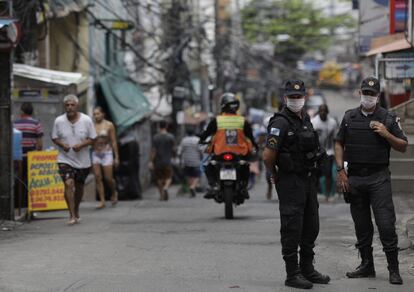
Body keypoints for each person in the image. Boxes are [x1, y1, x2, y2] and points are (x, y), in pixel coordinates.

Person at [334, 77, 407, 285]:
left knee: (385, 225)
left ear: (378, 96)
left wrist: (386, 134)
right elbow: (339, 142)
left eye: (372, 94)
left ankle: (394, 269)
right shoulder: (349, 117)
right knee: (362, 226)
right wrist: (340, 170)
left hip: (378, 178)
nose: (368, 97)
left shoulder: (388, 117)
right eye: (365, 93)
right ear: (359, 93)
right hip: (355, 178)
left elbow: (403, 145)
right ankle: (367, 266)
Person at [263, 80, 330, 289]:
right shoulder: (280, 122)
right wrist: (274, 174)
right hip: (290, 181)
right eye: (292, 97)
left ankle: (307, 269)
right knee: (292, 227)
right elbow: (268, 156)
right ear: (285, 98)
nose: (295, 100)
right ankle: (292, 274)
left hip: (308, 179)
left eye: (298, 97)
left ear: (304, 98)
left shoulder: (306, 119)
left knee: (311, 226)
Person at [199, 92, 258, 199]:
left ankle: (214, 185)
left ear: (222, 105)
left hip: (219, 153)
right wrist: (255, 146)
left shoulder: (217, 120)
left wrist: (201, 140)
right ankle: (243, 187)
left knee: (208, 165)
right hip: (239, 154)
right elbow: (250, 137)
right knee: (245, 166)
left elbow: (206, 134)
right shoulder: (242, 121)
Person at [52, 95, 97, 225]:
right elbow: (54, 137)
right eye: (67, 105)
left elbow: (93, 138)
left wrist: (82, 145)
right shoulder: (58, 121)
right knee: (68, 184)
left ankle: (76, 209)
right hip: (65, 159)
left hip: (83, 161)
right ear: (64, 106)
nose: (69, 107)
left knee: (79, 187)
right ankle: (71, 215)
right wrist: (62, 145)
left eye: (72, 105)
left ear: (77, 106)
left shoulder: (86, 120)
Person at [13, 102, 43, 210]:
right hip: (31, 157)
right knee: (29, 180)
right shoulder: (36, 124)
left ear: (22, 111)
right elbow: (40, 144)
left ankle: (17, 204)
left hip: (16, 157)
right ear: (32, 112)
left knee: (17, 179)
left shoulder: (14, 124)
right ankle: (27, 204)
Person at [92, 107, 120, 209]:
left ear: (103, 114)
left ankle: (113, 192)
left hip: (107, 153)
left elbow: (113, 141)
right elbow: (89, 140)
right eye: (94, 114)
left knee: (108, 178)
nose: (96, 116)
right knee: (97, 177)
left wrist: (116, 157)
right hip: (95, 153)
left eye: (98, 114)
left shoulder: (109, 125)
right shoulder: (92, 125)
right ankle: (102, 201)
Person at [311, 104, 338, 201]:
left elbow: (335, 139)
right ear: (319, 112)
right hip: (316, 152)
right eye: (321, 111)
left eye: (324, 111)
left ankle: (327, 194)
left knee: (328, 173)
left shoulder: (332, 123)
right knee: (315, 174)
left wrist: (336, 153)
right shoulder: (313, 122)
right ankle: (313, 194)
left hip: (328, 152)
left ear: (327, 112)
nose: (322, 113)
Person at [150, 120, 176, 201]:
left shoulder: (155, 137)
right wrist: (174, 157)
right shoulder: (171, 137)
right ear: (166, 126)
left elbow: (153, 151)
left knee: (159, 179)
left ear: (159, 126)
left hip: (158, 162)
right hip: (167, 161)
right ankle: (166, 187)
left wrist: (151, 161)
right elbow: (174, 149)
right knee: (169, 177)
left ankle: (161, 196)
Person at [179, 127, 203, 197]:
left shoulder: (184, 140)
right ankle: (192, 187)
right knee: (197, 175)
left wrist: (181, 160)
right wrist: (201, 158)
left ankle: (192, 188)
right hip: (196, 161)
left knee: (189, 175)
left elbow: (180, 151)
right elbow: (200, 150)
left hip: (187, 161)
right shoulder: (197, 140)